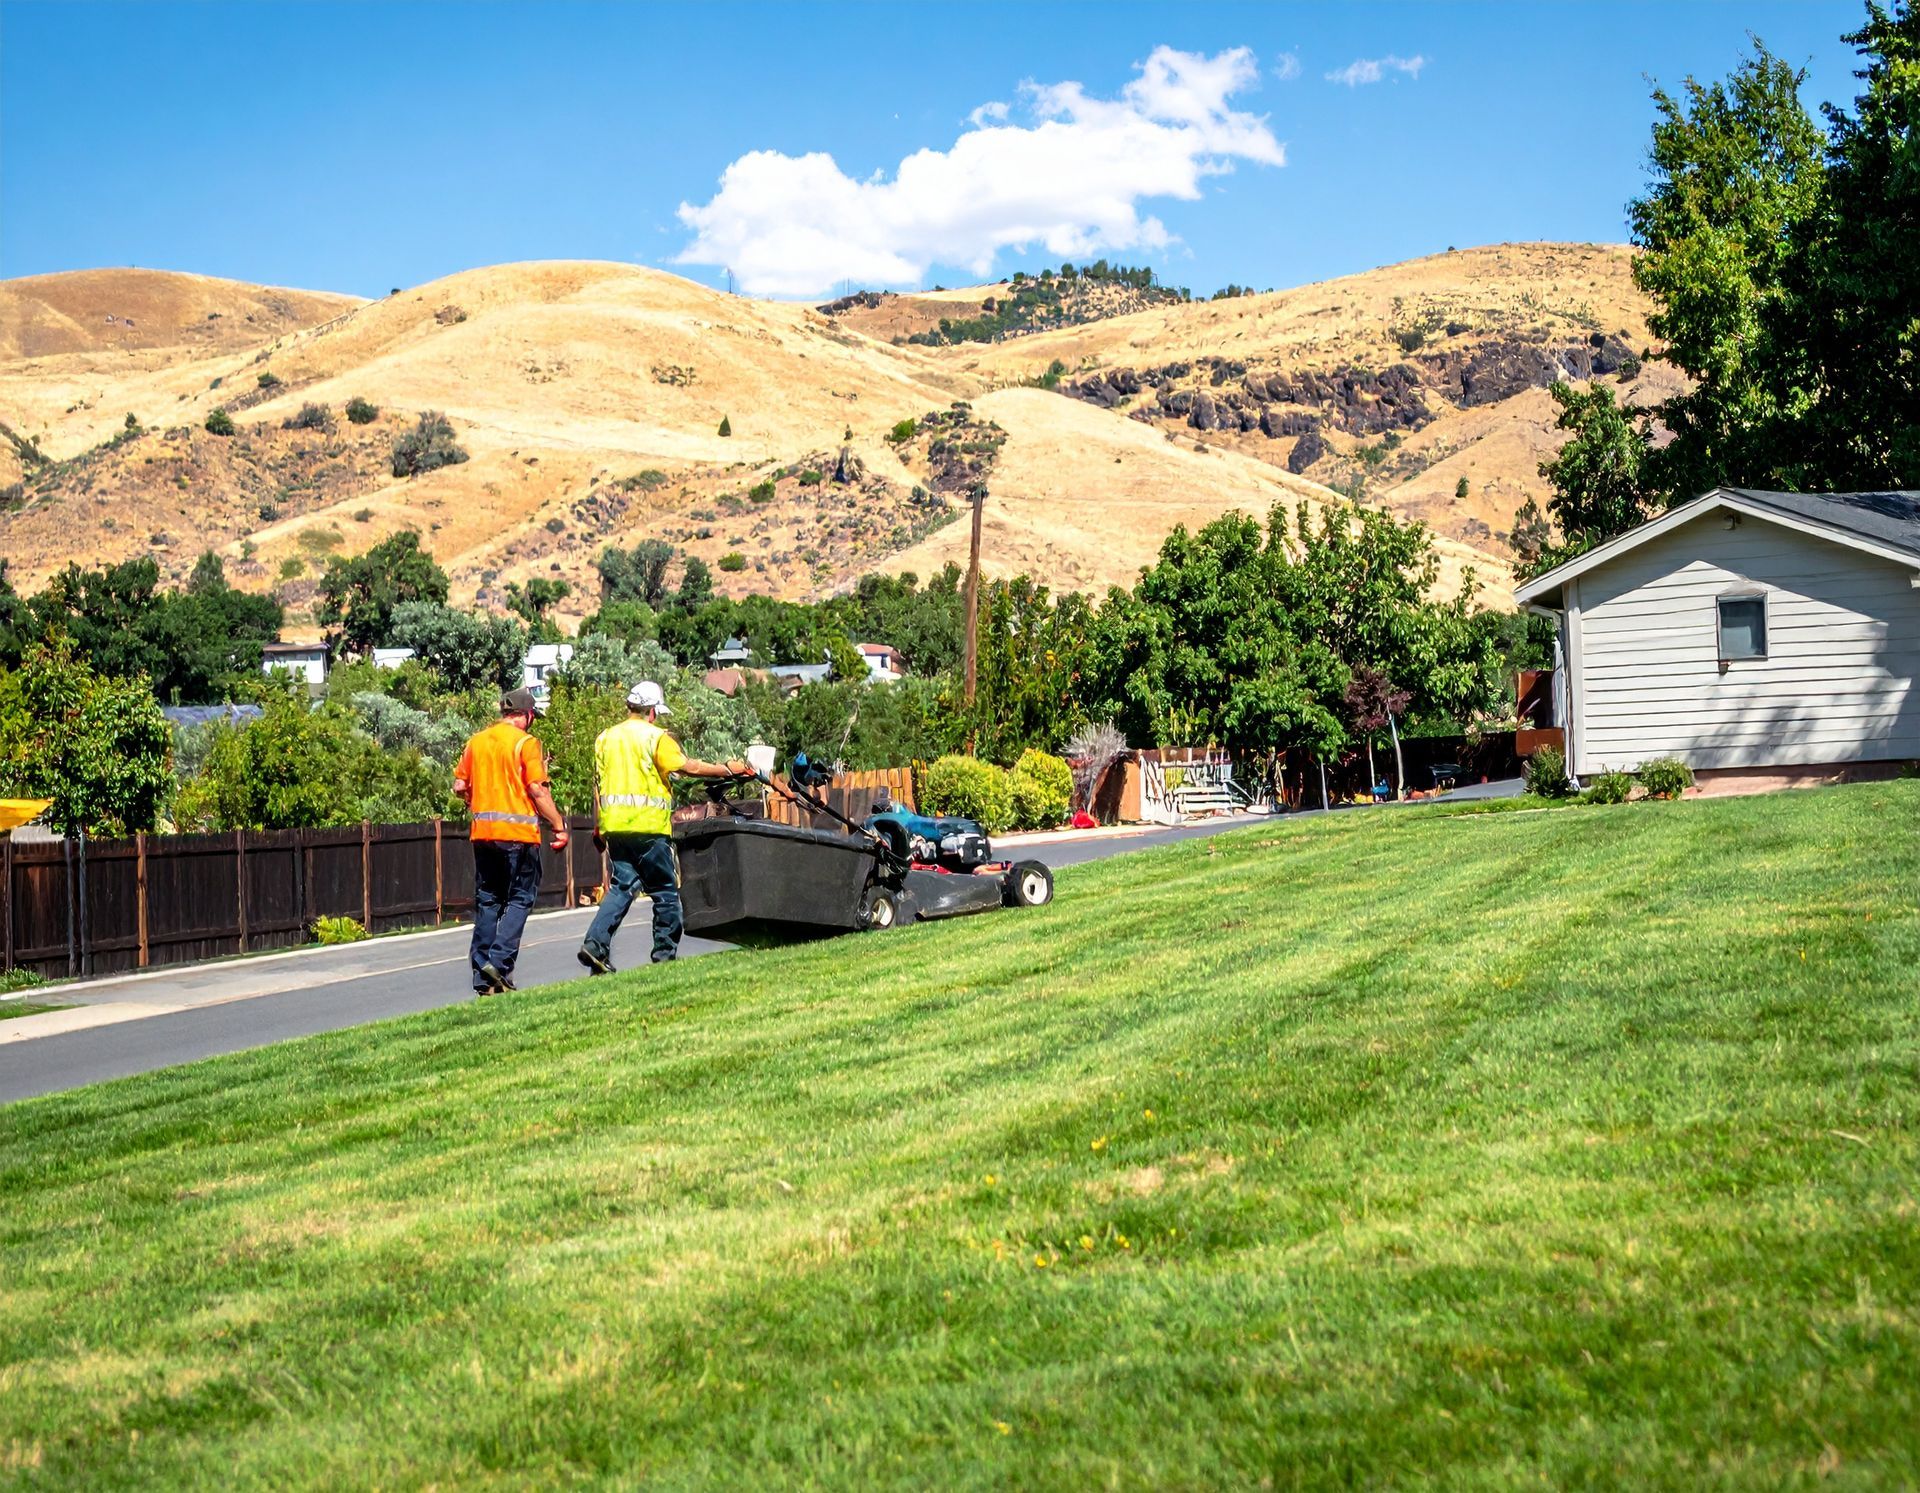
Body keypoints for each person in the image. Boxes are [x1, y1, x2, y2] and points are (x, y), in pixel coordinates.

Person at [578, 681, 747, 974]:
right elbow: (687, 767)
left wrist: (599, 828)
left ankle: (594, 945)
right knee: (665, 892)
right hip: (649, 828)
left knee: (621, 888)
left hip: (616, 827)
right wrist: (727, 769)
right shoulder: (656, 738)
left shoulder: (604, 738)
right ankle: (664, 955)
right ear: (652, 711)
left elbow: (599, 785)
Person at [452, 687, 569, 994]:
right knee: (520, 898)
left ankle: (482, 977)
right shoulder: (526, 743)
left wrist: (476, 801)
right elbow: (537, 790)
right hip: (518, 837)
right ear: (527, 715)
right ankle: (500, 964)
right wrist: (558, 825)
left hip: (483, 836)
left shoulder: (476, 742)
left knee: (489, 901)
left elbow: (459, 785)